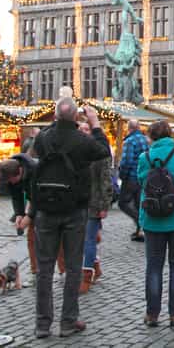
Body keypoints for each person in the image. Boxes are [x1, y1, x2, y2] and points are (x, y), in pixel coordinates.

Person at [19, 98, 109, 339]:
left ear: (56, 116)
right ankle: (68, 321)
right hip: (74, 209)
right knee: (72, 267)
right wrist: (95, 122)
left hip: (46, 209)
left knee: (45, 269)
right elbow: (104, 151)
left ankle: (42, 324)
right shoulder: (83, 140)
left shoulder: (43, 138)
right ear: (76, 117)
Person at [139, 120, 174, 327]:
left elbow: (141, 182)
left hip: (153, 220)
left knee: (154, 266)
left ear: (151, 137)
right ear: (170, 135)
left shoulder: (144, 158)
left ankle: (152, 314)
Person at [79, 119, 112, 294]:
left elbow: (105, 179)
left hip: (93, 203)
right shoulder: (75, 148)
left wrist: (104, 204)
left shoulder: (99, 151)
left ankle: (86, 277)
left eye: (87, 129)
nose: (83, 131)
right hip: (77, 202)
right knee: (84, 239)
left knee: (89, 240)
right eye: (81, 128)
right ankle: (95, 268)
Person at [1, 154, 39, 277]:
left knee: (54, 237)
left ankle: (63, 269)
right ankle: (35, 270)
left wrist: (29, 216)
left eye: (11, 180)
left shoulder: (35, 171)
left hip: (48, 201)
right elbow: (16, 196)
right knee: (31, 238)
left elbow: (37, 198)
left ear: (19, 172)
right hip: (34, 200)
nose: (10, 182)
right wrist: (19, 214)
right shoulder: (11, 174)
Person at [119, 119, 149, 242]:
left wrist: (122, 175)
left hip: (131, 177)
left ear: (129, 128)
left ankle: (139, 221)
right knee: (138, 204)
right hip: (142, 176)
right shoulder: (145, 139)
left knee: (123, 203)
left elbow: (127, 161)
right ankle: (140, 232)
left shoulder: (129, 141)